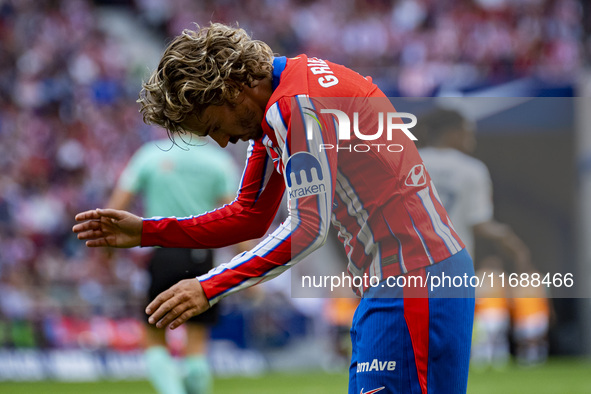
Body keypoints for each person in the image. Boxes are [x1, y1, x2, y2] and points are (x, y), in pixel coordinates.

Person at [73, 23, 475, 393]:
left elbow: (307, 229)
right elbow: (250, 214)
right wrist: (147, 231)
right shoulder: (285, 94)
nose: (221, 141)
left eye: (213, 125)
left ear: (230, 89)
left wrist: (210, 286)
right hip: (425, 274)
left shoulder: (293, 107)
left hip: (409, 281)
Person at [107, 138, 238, 394]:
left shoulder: (149, 155)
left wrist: (107, 250)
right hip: (203, 258)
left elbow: (117, 208)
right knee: (197, 342)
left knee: (154, 334)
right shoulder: (219, 162)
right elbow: (236, 218)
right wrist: (248, 268)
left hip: (164, 255)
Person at [418, 108, 542, 369]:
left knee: (417, 332)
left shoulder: (410, 161)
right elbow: (481, 223)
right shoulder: (471, 169)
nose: (471, 139)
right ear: (453, 133)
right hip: (453, 261)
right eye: (467, 132)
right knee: (449, 335)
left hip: (411, 261)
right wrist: (513, 243)